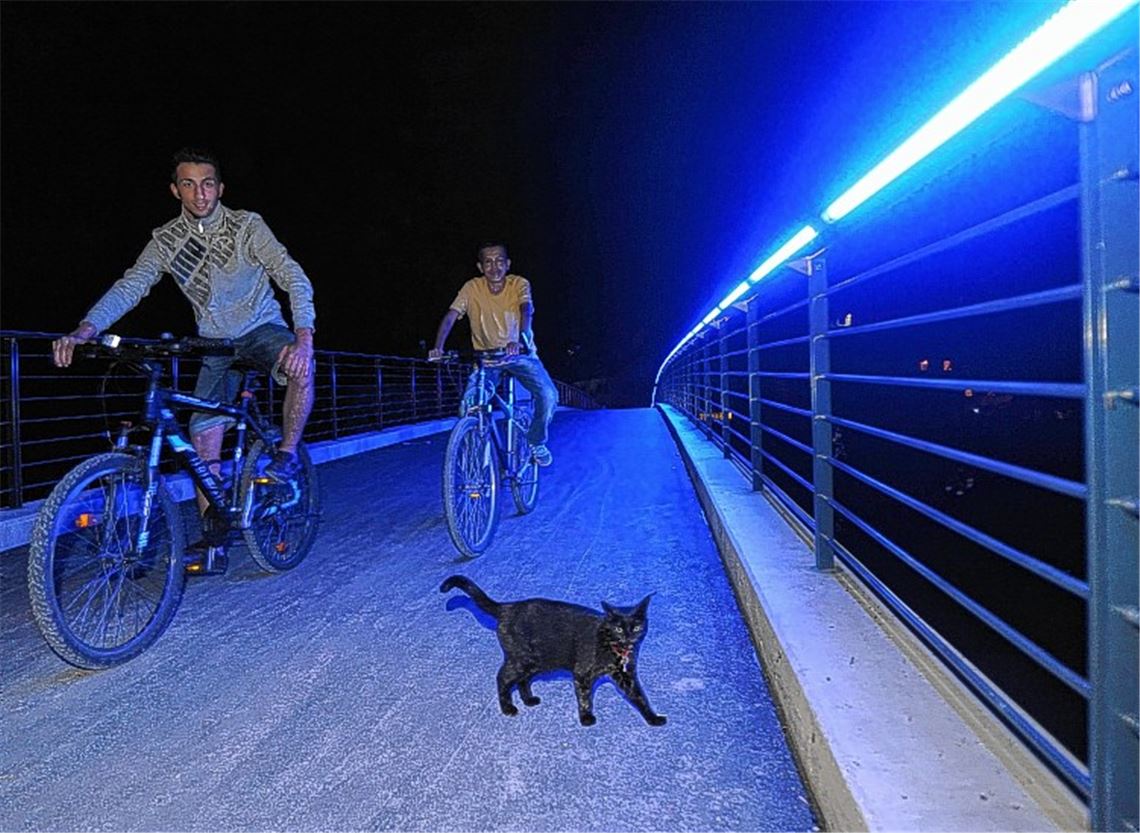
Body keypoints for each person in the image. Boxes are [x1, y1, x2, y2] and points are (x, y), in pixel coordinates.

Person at [52, 147, 317, 572]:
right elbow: (132, 285)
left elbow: (293, 276)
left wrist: (303, 337)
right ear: (175, 190)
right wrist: (86, 329)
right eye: (189, 184)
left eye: (208, 184)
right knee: (201, 433)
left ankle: (286, 454)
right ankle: (215, 537)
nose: (200, 194)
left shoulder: (247, 226)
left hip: (261, 329)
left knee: (301, 365)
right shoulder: (167, 240)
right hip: (214, 343)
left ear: (220, 188)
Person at [429, 241, 559, 466]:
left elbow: (526, 310)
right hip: (487, 360)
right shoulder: (472, 288)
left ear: (508, 264)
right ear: (480, 267)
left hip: (520, 355)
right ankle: (473, 462)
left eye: (499, 261)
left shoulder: (519, 284)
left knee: (548, 395)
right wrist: (438, 347)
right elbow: (451, 316)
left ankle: (536, 441)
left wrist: (520, 340)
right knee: (469, 404)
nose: (494, 267)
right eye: (488, 262)